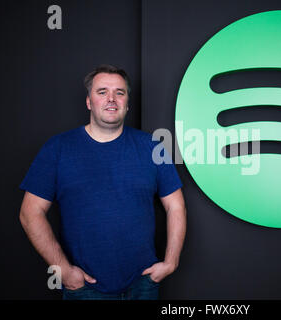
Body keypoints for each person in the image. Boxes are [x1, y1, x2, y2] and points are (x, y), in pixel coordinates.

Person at [19, 64, 186, 300]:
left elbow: (175, 205)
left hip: (143, 284)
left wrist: (171, 262)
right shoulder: (58, 148)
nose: (111, 99)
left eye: (120, 92)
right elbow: (30, 213)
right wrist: (63, 271)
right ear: (89, 101)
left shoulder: (152, 146)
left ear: (127, 103)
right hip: (85, 288)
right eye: (102, 92)